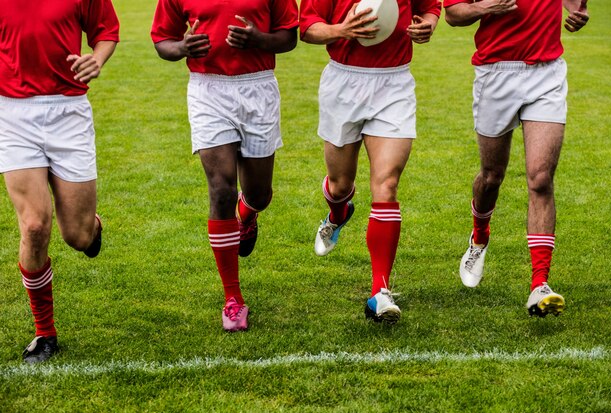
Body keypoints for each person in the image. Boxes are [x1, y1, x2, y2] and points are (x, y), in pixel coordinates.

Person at [151, 0, 298, 332]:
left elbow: (289, 36)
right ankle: (233, 299)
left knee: (259, 194)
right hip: (208, 90)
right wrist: (182, 47)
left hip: (259, 87)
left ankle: (249, 214)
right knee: (221, 190)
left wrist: (258, 39)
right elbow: (162, 41)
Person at [444, 0, 589, 316]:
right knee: (491, 176)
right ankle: (479, 237)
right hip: (495, 73)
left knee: (540, 178)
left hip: (547, 72)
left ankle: (539, 285)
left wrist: (579, 12)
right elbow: (453, 14)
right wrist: (486, 7)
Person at [300, 0, 442, 324]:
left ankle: (380, 292)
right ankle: (339, 211)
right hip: (343, 82)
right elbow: (306, 27)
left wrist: (428, 24)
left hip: (394, 84)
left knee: (387, 183)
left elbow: (431, 7)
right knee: (339, 185)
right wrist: (341, 30)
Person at [0, 1, 120, 363]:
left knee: (77, 236)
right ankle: (45, 333)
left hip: (69, 111)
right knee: (34, 225)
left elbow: (106, 32)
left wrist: (97, 59)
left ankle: (91, 227)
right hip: (13, 113)